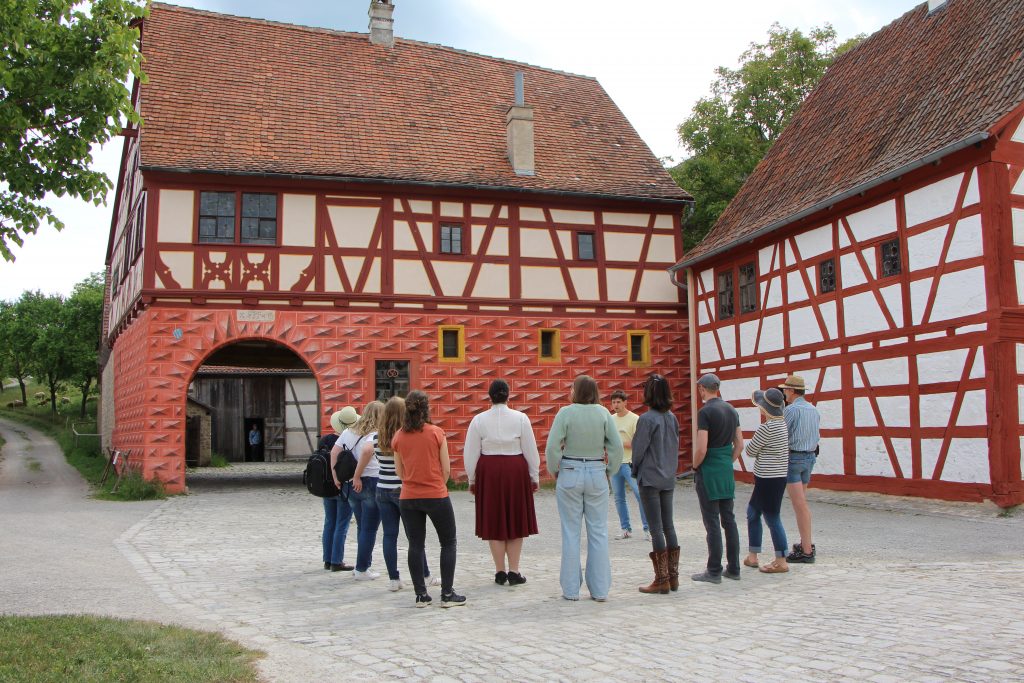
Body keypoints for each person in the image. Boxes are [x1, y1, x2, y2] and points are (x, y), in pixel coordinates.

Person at [546, 375, 623, 602]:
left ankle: (571, 590)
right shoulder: (603, 413)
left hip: (570, 469)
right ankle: (599, 590)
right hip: (597, 470)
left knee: (570, 532)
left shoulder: (565, 413)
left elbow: (552, 447)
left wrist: (556, 470)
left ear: (576, 391)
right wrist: (609, 470)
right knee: (598, 531)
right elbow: (617, 447)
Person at [392, 390, 466, 607]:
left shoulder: (399, 436)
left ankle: (421, 595)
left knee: (415, 545)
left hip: (408, 497)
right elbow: (446, 469)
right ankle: (446, 594)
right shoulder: (436, 433)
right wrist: (436, 483)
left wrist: (413, 480)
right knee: (448, 542)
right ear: (426, 409)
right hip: (436, 494)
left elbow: (399, 471)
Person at [463, 379, 540, 586]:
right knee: (515, 519)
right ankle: (514, 571)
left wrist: (472, 479)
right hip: (515, 469)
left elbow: (470, 452)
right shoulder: (521, 418)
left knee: (494, 520)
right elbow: (530, 449)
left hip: (489, 470)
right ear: (508, 395)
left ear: (490, 396)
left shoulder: (478, 420)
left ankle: (499, 571)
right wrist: (534, 476)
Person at [376, 396, 439, 592]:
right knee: (415, 537)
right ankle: (425, 575)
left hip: (382, 489)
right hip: (403, 489)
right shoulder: (404, 435)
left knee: (389, 536)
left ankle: (394, 579)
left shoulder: (377, 437)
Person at [691, 373, 744, 584]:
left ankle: (713, 569)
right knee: (729, 519)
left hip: (709, 468)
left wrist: (695, 465)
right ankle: (734, 567)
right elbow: (739, 444)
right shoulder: (731, 410)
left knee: (711, 520)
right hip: (724, 467)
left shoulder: (705, 412)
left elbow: (702, 447)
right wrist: (727, 460)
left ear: (703, 389)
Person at [630, 374, 680, 595]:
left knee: (656, 528)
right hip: (668, 476)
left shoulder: (647, 419)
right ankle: (673, 576)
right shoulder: (672, 418)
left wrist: (634, 469)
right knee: (668, 526)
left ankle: (661, 579)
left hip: (650, 477)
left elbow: (638, 450)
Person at [743, 388, 790, 574]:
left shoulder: (767, 427)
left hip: (767, 478)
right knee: (752, 512)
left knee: (772, 517)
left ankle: (781, 559)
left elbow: (750, 450)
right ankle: (753, 555)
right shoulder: (782, 425)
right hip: (775, 477)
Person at [334, 402, 384, 581]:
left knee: (363, 526)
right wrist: (357, 476)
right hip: (369, 481)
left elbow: (335, 452)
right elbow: (368, 451)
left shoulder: (348, 432)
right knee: (369, 528)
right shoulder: (374, 434)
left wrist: (336, 476)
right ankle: (362, 568)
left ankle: (363, 565)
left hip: (349, 484)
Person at [779, 374, 822, 564]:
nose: (784, 393)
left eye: (785, 390)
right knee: (801, 503)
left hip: (794, 458)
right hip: (810, 457)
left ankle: (806, 550)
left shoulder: (791, 410)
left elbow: (782, 434)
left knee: (800, 505)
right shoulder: (813, 410)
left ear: (791, 391)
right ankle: (805, 543)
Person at [608, 389, 649, 541]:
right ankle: (625, 529)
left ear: (625, 402)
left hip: (630, 463)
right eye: (613, 402)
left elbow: (637, 443)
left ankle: (648, 529)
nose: (615, 405)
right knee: (619, 497)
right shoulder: (610, 419)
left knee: (640, 495)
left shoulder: (635, 419)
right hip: (614, 463)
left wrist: (619, 444)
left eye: (618, 402)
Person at [319, 426, 353, 572]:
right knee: (342, 524)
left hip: (326, 487)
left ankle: (327, 559)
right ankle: (336, 561)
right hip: (342, 486)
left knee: (329, 523)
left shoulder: (325, 440)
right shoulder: (347, 439)